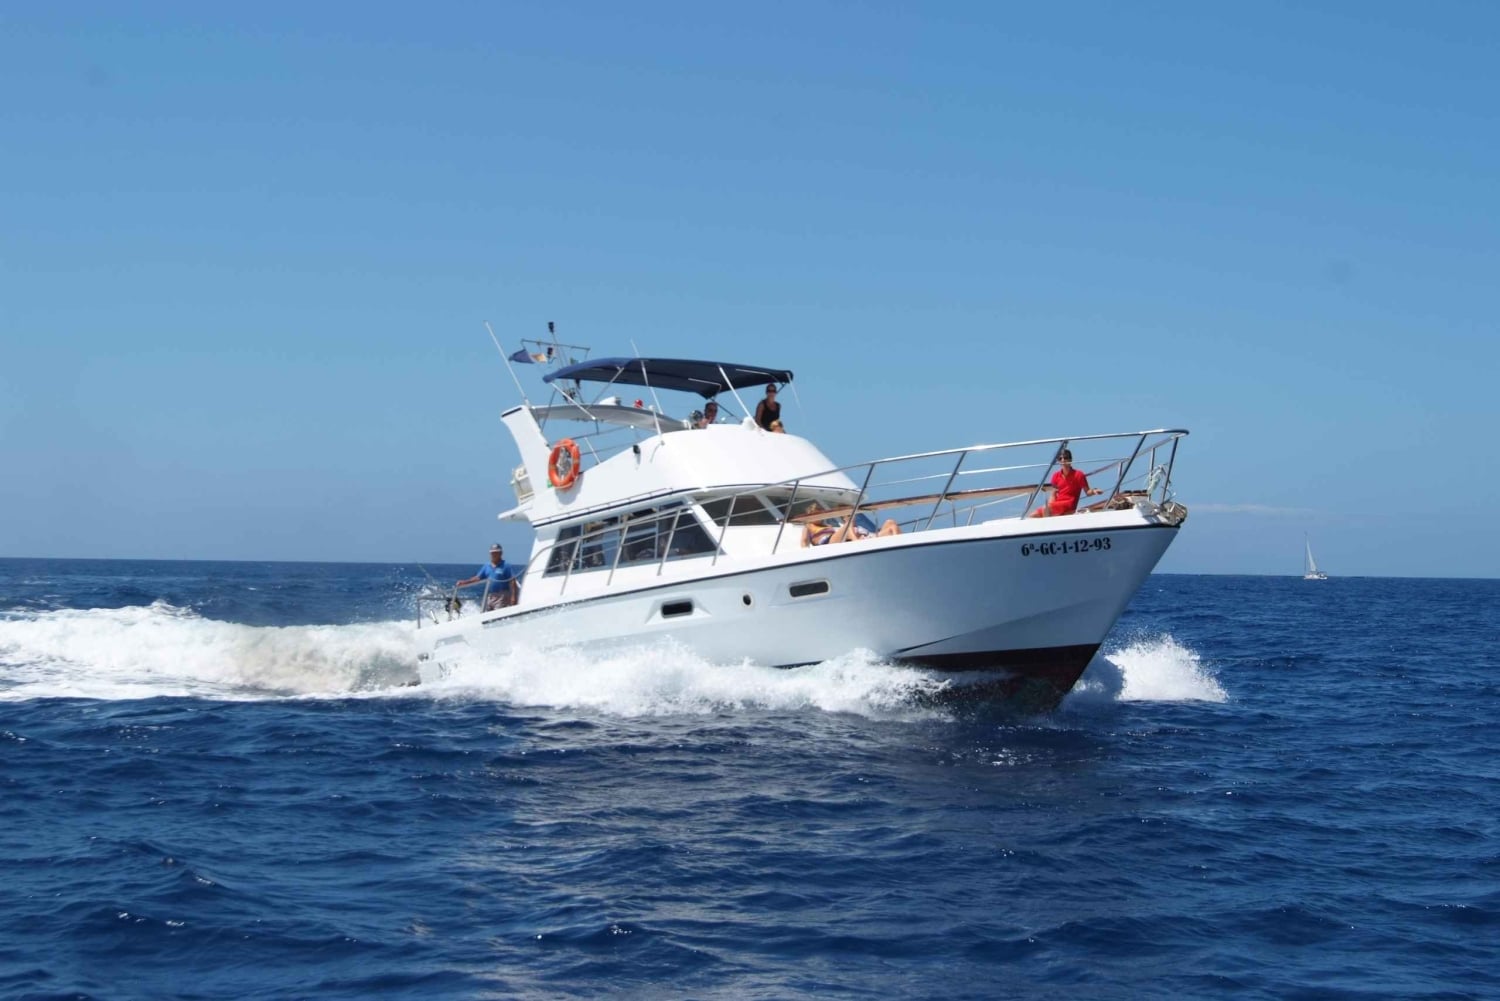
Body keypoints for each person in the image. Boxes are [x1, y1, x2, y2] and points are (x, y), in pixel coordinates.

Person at [1030, 448, 1102, 517]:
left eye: (1065, 458)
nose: (1063, 460)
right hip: (1058, 504)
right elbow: (1053, 494)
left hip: (1069, 503)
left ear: (1070, 459)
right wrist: (1050, 505)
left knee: (1046, 509)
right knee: (1033, 515)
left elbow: (1088, 492)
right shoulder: (1056, 475)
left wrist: (1094, 491)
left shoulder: (1079, 474)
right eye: (1060, 458)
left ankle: (1049, 526)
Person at [456, 543, 520, 610]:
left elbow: (512, 581)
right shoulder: (487, 566)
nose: (494, 555)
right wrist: (464, 582)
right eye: (492, 553)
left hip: (502, 596)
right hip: (490, 596)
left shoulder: (506, 566)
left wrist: (513, 597)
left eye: (496, 553)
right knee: (486, 613)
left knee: (497, 615)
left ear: (500, 553)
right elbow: (478, 578)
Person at [800, 504, 900, 546]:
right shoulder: (808, 526)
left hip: (839, 540)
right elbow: (804, 541)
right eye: (817, 514)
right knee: (848, 525)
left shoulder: (828, 526)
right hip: (826, 543)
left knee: (891, 524)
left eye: (821, 514)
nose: (820, 517)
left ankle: (899, 545)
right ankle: (857, 542)